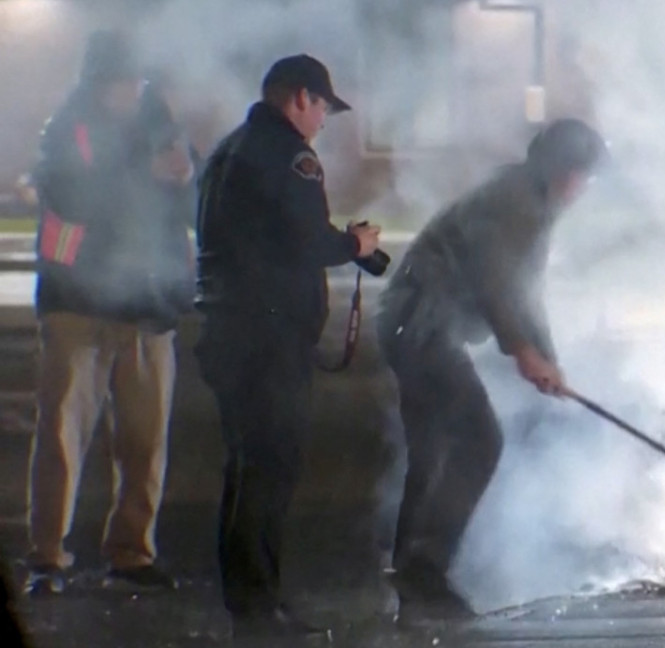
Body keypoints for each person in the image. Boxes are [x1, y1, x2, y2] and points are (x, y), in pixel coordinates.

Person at [376, 118, 607, 613]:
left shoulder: (532, 204)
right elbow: (495, 281)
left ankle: (409, 570)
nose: (584, 187)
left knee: (432, 447)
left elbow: (526, 295)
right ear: (558, 169)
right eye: (580, 175)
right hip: (423, 326)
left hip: (414, 324)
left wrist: (548, 359)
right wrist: (523, 350)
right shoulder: (514, 203)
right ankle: (425, 569)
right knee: (480, 439)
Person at [194, 53, 381, 639]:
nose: (324, 119)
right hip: (268, 341)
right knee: (271, 469)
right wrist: (355, 244)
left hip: (229, 331)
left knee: (246, 468)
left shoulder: (229, 150)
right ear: (300, 97)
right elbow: (304, 241)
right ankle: (259, 606)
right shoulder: (291, 156)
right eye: (323, 105)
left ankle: (245, 599)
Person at [25, 29, 192, 596]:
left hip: (146, 305)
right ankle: (48, 555)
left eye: (138, 80)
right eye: (124, 80)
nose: (132, 90)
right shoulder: (67, 127)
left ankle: (132, 552)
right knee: (63, 436)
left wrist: (183, 173)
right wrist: (146, 176)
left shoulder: (158, 120)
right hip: (79, 305)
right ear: (99, 81)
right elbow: (75, 193)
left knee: (146, 442)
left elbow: (181, 190)